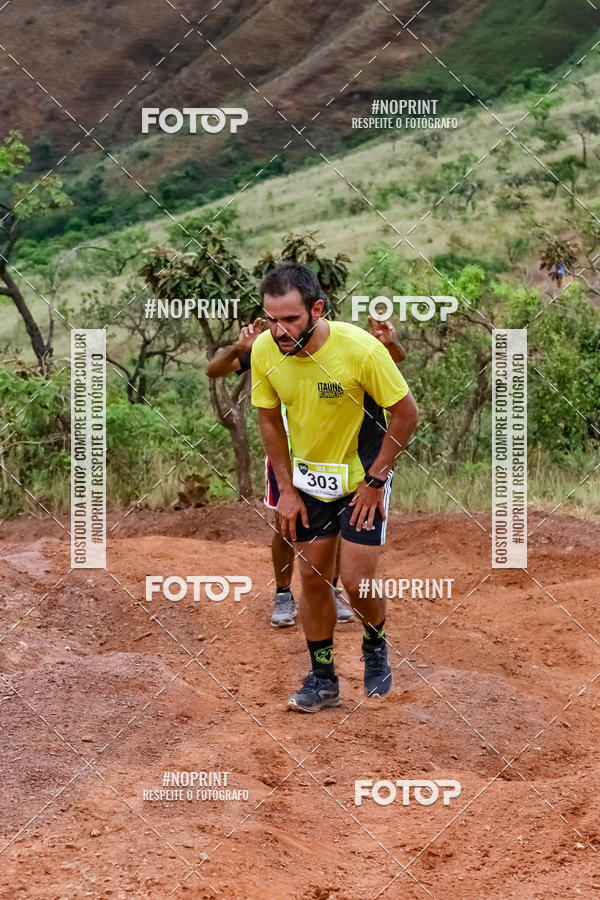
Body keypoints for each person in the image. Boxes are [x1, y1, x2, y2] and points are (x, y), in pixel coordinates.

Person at [251, 263, 418, 712]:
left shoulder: (360, 350)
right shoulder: (266, 351)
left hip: (362, 478)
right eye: (271, 319)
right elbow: (268, 418)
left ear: (317, 309)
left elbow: (406, 414)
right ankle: (323, 678)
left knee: (357, 581)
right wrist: (285, 488)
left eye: (290, 319)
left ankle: (374, 644)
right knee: (312, 577)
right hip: (307, 481)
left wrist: (376, 479)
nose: (279, 330)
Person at [206, 313, 355, 627]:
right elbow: (213, 371)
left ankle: (331, 589)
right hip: (286, 453)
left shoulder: (339, 348)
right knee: (285, 524)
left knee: (337, 526)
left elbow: (391, 358)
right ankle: (284, 592)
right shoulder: (272, 349)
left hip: (331, 451)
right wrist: (237, 349)